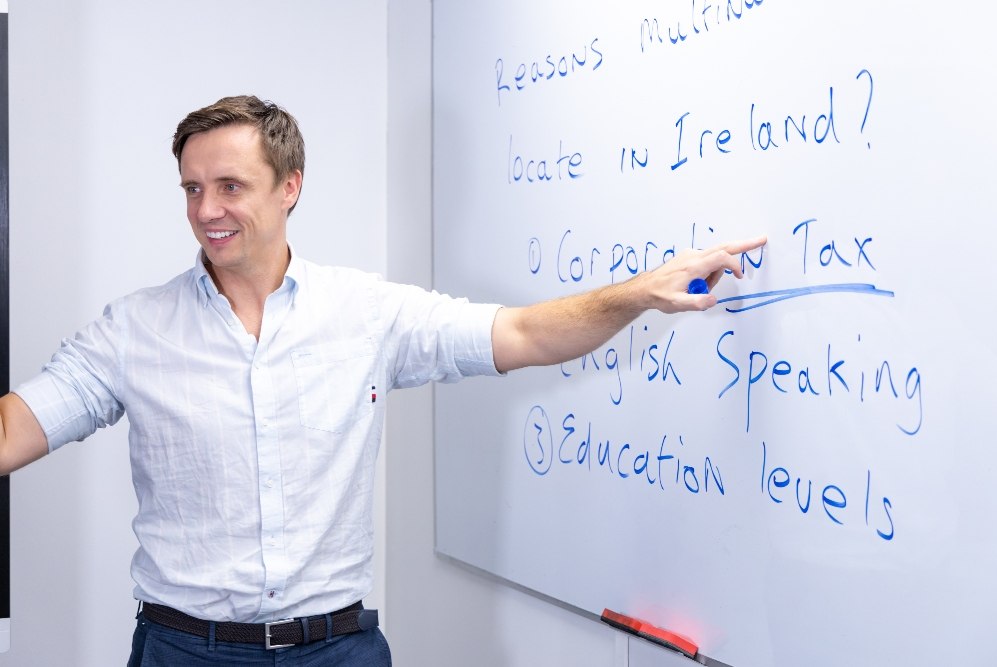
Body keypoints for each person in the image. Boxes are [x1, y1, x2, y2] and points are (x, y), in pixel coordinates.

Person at [0, 95, 766, 666]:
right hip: (184, 650)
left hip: (338, 650)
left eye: (230, 185)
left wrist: (640, 291)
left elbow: (524, 333)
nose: (207, 209)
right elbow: (17, 426)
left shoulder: (366, 312)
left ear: (289, 185)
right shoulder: (135, 329)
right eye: (192, 188)